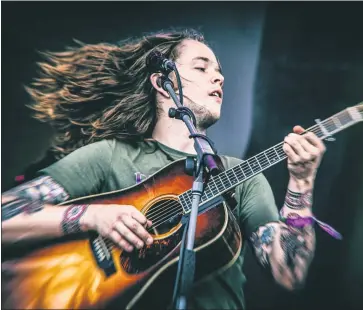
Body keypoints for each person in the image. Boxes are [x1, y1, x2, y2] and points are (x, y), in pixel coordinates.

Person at [1, 29, 328, 309]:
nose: (219, 77)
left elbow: (290, 273)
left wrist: (301, 180)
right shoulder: (111, 156)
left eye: (219, 71)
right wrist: (92, 216)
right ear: (161, 82)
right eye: (202, 68)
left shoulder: (242, 176)